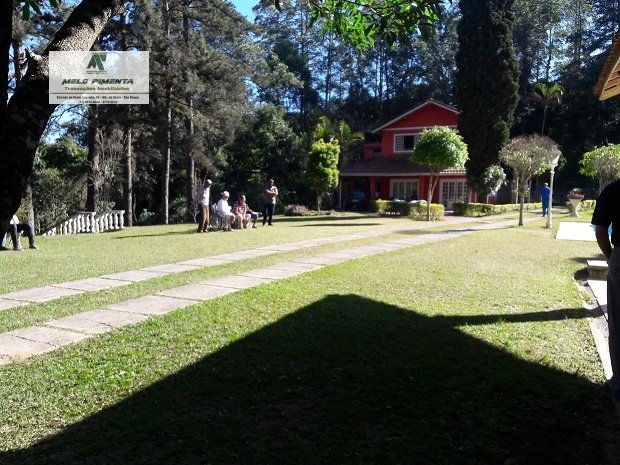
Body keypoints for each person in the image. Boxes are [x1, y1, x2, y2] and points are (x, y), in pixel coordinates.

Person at [592, 179, 620, 399]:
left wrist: (611, 257)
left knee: (618, 321)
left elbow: (601, 231)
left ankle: (619, 381)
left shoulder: (613, 190)